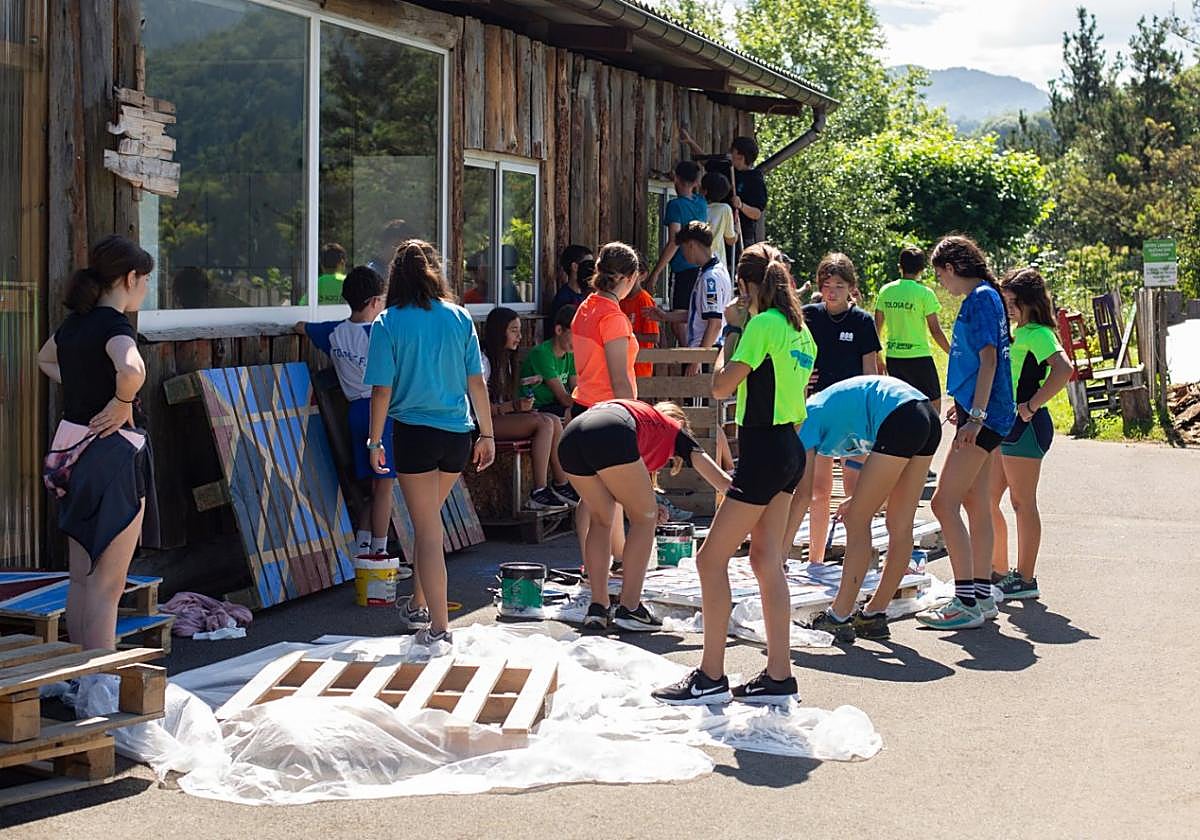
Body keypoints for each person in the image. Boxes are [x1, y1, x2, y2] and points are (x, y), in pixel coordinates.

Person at [653, 243, 817, 706]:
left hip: (764, 450)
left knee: (710, 560)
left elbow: (720, 385)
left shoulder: (761, 326)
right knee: (766, 560)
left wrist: (730, 330)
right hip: (789, 448)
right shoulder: (799, 327)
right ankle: (779, 675)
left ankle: (710, 675)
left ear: (744, 287)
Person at [364, 239, 496, 653]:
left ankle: (439, 627)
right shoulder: (459, 316)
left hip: (414, 433)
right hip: (458, 433)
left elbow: (381, 390)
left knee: (426, 528)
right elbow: (477, 382)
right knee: (429, 524)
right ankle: (419, 603)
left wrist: (374, 440)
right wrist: (488, 434)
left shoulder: (387, 321)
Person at [36, 235, 158, 651]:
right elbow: (132, 368)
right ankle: (99, 680)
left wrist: (83, 382)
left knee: (80, 579)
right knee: (108, 584)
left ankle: (78, 671)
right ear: (129, 278)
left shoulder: (73, 325)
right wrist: (122, 402)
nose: (146, 289)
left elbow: (44, 358)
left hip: (69, 451)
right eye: (146, 280)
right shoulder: (115, 326)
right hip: (112, 453)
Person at [786, 376, 942, 642]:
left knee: (857, 520)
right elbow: (871, 464)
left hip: (901, 416)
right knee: (900, 523)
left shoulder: (805, 419)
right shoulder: (832, 413)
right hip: (924, 414)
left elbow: (803, 495)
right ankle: (873, 615)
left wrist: (779, 552)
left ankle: (838, 616)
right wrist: (858, 499)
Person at [560, 400, 731, 631]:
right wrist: (752, 503)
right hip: (610, 432)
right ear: (681, 423)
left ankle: (598, 607)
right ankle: (630, 608)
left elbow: (616, 483)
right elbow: (720, 480)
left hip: (570, 438)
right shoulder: (675, 430)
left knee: (601, 519)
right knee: (644, 520)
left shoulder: (644, 422)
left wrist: (646, 504)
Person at [916, 235, 1015, 631]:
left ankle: (966, 600)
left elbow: (989, 360)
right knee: (976, 502)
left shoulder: (981, 299)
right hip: (985, 413)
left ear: (952, 268)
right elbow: (978, 362)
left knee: (943, 503)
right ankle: (982, 595)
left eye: (941, 276)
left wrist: (975, 416)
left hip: (984, 418)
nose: (942, 284)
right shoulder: (986, 296)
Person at [295, 266, 411, 574]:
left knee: (373, 487)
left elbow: (301, 326)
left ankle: (362, 550)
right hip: (382, 413)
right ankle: (380, 557)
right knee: (384, 487)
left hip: (355, 412)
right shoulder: (382, 334)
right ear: (374, 301)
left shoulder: (333, 332)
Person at [989, 267, 1073, 599]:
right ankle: (998, 570)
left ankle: (1025, 579)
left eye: (1013, 302)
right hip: (1004, 425)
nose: (1008, 308)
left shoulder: (1038, 333)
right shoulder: (1018, 332)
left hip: (1026, 427)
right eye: (1005, 301)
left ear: (1029, 301)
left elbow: (1064, 370)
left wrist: (1031, 406)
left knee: (1022, 503)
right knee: (986, 499)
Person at [802, 253, 882, 563]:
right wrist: (803, 378)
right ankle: (815, 559)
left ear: (851, 288)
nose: (832, 292)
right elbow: (794, 358)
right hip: (818, 411)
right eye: (826, 285)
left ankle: (857, 556)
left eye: (839, 285)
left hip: (853, 415)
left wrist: (871, 417)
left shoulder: (862, 321)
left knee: (855, 490)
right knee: (818, 491)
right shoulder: (808, 316)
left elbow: (870, 372)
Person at [570, 242, 643, 581]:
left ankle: (601, 563)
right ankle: (605, 564)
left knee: (593, 497)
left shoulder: (586, 306)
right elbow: (619, 378)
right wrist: (635, 419)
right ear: (628, 278)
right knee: (608, 497)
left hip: (584, 406)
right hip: (608, 412)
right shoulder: (612, 316)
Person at [482, 307, 576, 510]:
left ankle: (562, 484)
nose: (519, 336)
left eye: (520, 331)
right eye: (514, 331)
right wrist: (514, 406)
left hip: (500, 417)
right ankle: (539, 491)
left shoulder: (506, 361)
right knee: (544, 423)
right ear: (499, 331)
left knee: (552, 420)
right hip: (482, 424)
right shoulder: (484, 362)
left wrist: (522, 404)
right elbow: (480, 407)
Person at [648, 222, 732, 371]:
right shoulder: (713, 270)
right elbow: (699, 314)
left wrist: (697, 361)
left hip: (705, 353)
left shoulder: (710, 278)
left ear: (691, 245)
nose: (683, 254)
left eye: (683, 248)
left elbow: (714, 323)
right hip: (703, 352)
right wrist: (665, 316)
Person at [874, 246, 951, 410]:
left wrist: (878, 357)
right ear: (922, 270)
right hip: (920, 357)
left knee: (901, 405)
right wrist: (952, 352)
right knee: (934, 404)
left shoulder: (886, 291)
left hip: (894, 358)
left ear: (899, 267)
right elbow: (935, 331)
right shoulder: (925, 293)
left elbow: (876, 329)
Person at [647, 160, 707, 345]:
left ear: (676, 178)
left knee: (677, 319)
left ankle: (688, 353)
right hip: (700, 266)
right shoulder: (701, 203)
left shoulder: (675, 205)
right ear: (696, 182)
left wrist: (655, 273)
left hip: (682, 267)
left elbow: (675, 240)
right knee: (694, 313)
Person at [680, 129, 768, 248]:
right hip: (720, 230)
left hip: (741, 235)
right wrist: (690, 142)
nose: (729, 153)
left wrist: (741, 205)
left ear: (741, 157)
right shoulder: (727, 167)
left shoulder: (755, 180)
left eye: (733, 151)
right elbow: (706, 161)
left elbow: (757, 213)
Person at [521, 304, 577, 419]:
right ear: (559, 330)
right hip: (534, 408)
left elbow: (575, 389)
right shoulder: (542, 353)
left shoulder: (570, 353)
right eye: (575, 334)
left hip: (554, 405)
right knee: (575, 413)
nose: (579, 340)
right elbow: (563, 398)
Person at [618, 253, 659, 380]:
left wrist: (627, 336)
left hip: (640, 368)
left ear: (642, 275)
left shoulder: (644, 300)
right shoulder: (620, 299)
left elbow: (654, 337)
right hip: (622, 366)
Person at [546, 244, 593, 334]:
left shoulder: (588, 295)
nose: (591, 269)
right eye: (588, 264)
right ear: (575, 267)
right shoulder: (563, 299)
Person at [701, 171, 738, 273]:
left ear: (704, 190)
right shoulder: (724, 209)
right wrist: (737, 231)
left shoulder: (697, 206)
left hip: (696, 261)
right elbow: (730, 240)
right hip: (716, 263)